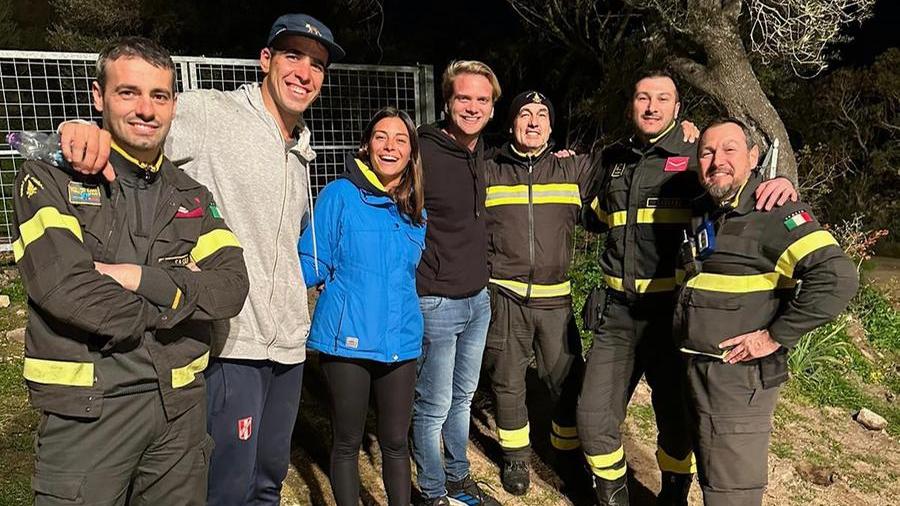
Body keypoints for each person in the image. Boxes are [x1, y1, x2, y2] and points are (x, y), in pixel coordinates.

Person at [57, 13, 344, 505]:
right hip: (232, 343)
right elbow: (139, 124)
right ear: (266, 60)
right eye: (293, 56)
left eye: (316, 64)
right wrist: (83, 129)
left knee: (268, 480)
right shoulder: (213, 114)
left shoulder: (301, 148)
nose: (304, 72)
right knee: (226, 486)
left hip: (288, 343)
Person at [13, 37, 249, 505]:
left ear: (174, 105)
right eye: (128, 93)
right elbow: (70, 291)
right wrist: (182, 302)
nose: (146, 109)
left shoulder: (191, 195)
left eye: (159, 96)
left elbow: (231, 288)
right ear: (98, 97)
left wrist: (141, 279)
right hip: (89, 416)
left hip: (179, 413)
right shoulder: (50, 179)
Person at [578, 70, 797, 506]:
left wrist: (780, 182)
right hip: (618, 315)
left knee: (677, 423)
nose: (652, 106)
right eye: (643, 97)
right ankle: (614, 497)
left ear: (678, 110)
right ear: (631, 105)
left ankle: (673, 494)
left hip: (674, 316)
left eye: (663, 98)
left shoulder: (696, 155)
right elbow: (592, 216)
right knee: (592, 415)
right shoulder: (613, 158)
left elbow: (734, 187)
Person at [676, 118, 858, 505]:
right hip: (699, 367)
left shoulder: (775, 210)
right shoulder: (708, 209)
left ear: (754, 157)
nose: (717, 160)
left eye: (730, 150)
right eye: (707, 152)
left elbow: (838, 278)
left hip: (739, 378)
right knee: (712, 479)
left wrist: (773, 336)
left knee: (733, 493)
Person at [298, 106, 426, 505]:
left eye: (400, 139)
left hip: (400, 341)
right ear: (366, 146)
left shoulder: (416, 210)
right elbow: (309, 263)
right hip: (346, 341)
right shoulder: (339, 194)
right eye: (381, 137)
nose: (390, 146)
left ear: (411, 152)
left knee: (395, 443)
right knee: (348, 442)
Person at [482, 90, 599, 495]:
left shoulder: (575, 169)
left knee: (567, 380)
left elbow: (631, 167)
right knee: (507, 381)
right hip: (505, 298)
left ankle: (565, 450)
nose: (533, 122)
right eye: (524, 115)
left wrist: (684, 139)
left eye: (542, 115)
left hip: (556, 300)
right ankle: (515, 458)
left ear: (552, 125)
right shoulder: (488, 170)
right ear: (511, 123)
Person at [412, 60, 501, 506]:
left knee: (463, 397)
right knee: (432, 405)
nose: (472, 106)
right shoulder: (421, 151)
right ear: (448, 101)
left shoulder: (481, 151)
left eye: (482, 99)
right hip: (437, 302)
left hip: (477, 301)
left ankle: (458, 477)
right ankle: (431, 491)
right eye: (463, 97)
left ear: (491, 107)